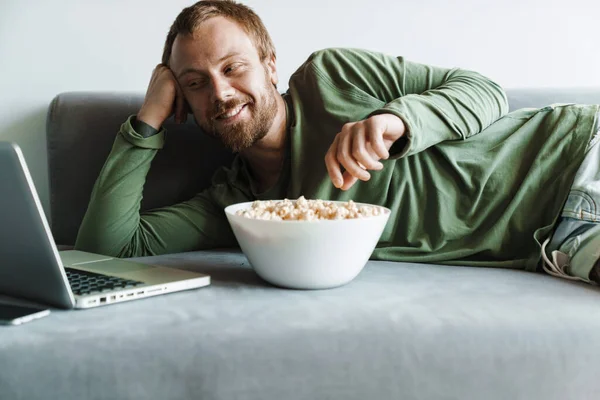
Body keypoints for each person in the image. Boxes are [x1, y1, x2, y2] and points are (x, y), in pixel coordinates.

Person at [74, 0, 600, 284]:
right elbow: (109, 247)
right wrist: (148, 118)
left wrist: (398, 120)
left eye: (233, 68)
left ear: (270, 65)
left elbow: (485, 92)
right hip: (560, 244)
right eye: (196, 82)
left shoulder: (333, 75)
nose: (221, 93)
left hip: (575, 152)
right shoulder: (239, 209)